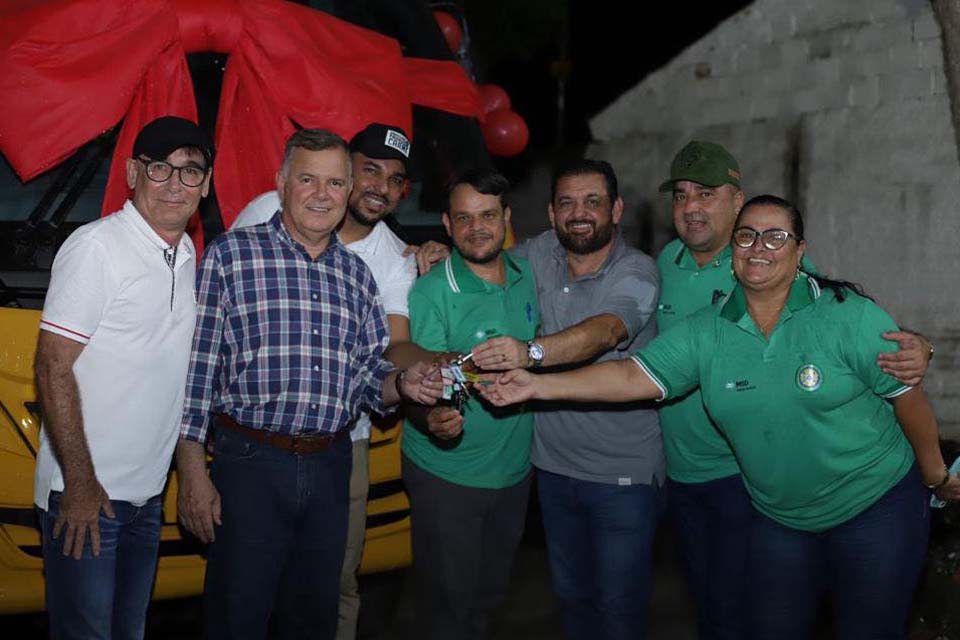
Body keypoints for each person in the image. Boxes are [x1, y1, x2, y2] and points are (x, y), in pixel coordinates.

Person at [480, 194, 960, 640]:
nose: (759, 247)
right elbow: (629, 376)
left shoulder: (847, 316)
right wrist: (536, 384)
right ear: (733, 253)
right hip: (781, 518)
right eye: (747, 236)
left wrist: (935, 474)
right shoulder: (706, 333)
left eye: (776, 237)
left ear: (799, 252)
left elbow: (907, 397)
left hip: (874, 507)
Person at [656, 141, 934, 639]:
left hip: (748, 476)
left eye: (705, 193)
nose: (691, 206)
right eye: (680, 195)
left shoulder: (771, 265)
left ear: (736, 201)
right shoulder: (663, 264)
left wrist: (922, 347)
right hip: (685, 472)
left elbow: (848, 319)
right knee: (714, 609)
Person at [174, 128, 441, 640]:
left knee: (314, 617)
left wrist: (405, 383)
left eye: (335, 183)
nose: (322, 194)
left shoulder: (357, 277)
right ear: (281, 183)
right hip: (249, 463)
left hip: (331, 464)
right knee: (237, 615)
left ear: (347, 191)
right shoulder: (232, 256)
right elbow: (198, 371)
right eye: (308, 180)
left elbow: (367, 378)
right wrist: (191, 471)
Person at [414, 159, 663, 640]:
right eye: (566, 203)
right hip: (550, 469)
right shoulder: (537, 254)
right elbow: (480, 248)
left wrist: (529, 352)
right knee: (571, 600)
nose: (579, 213)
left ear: (616, 209)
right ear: (551, 213)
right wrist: (434, 249)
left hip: (622, 476)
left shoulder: (637, 270)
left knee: (619, 608)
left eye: (593, 202)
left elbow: (606, 331)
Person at [232, 122, 417, 640]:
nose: (380, 187)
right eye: (369, 171)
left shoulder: (393, 260)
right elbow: (216, 330)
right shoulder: (263, 213)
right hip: (254, 442)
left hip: (343, 444)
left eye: (395, 179)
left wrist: (427, 371)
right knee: (248, 586)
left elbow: (390, 349)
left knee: (333, 583)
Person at [33, 116, 213, 639]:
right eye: (160, 169)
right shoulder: (97, 248)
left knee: (128, 631)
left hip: (146, 497)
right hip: (87, 496)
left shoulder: (185, 254)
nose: (174, 184)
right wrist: (80, 484)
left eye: (190, 171)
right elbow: (52, 365)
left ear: (206, 185)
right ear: (133, 173)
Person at [402, 168, 540, 640]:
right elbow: (418, 380)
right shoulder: (432, 290)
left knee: (490, 598)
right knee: (447, 609)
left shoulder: (525, 276)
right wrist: (432, 417)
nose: (476, 227)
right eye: (463, 218)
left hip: (514, 471)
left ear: (507, 217)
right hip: (449, 477)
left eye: (487, 215)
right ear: (446, 223)